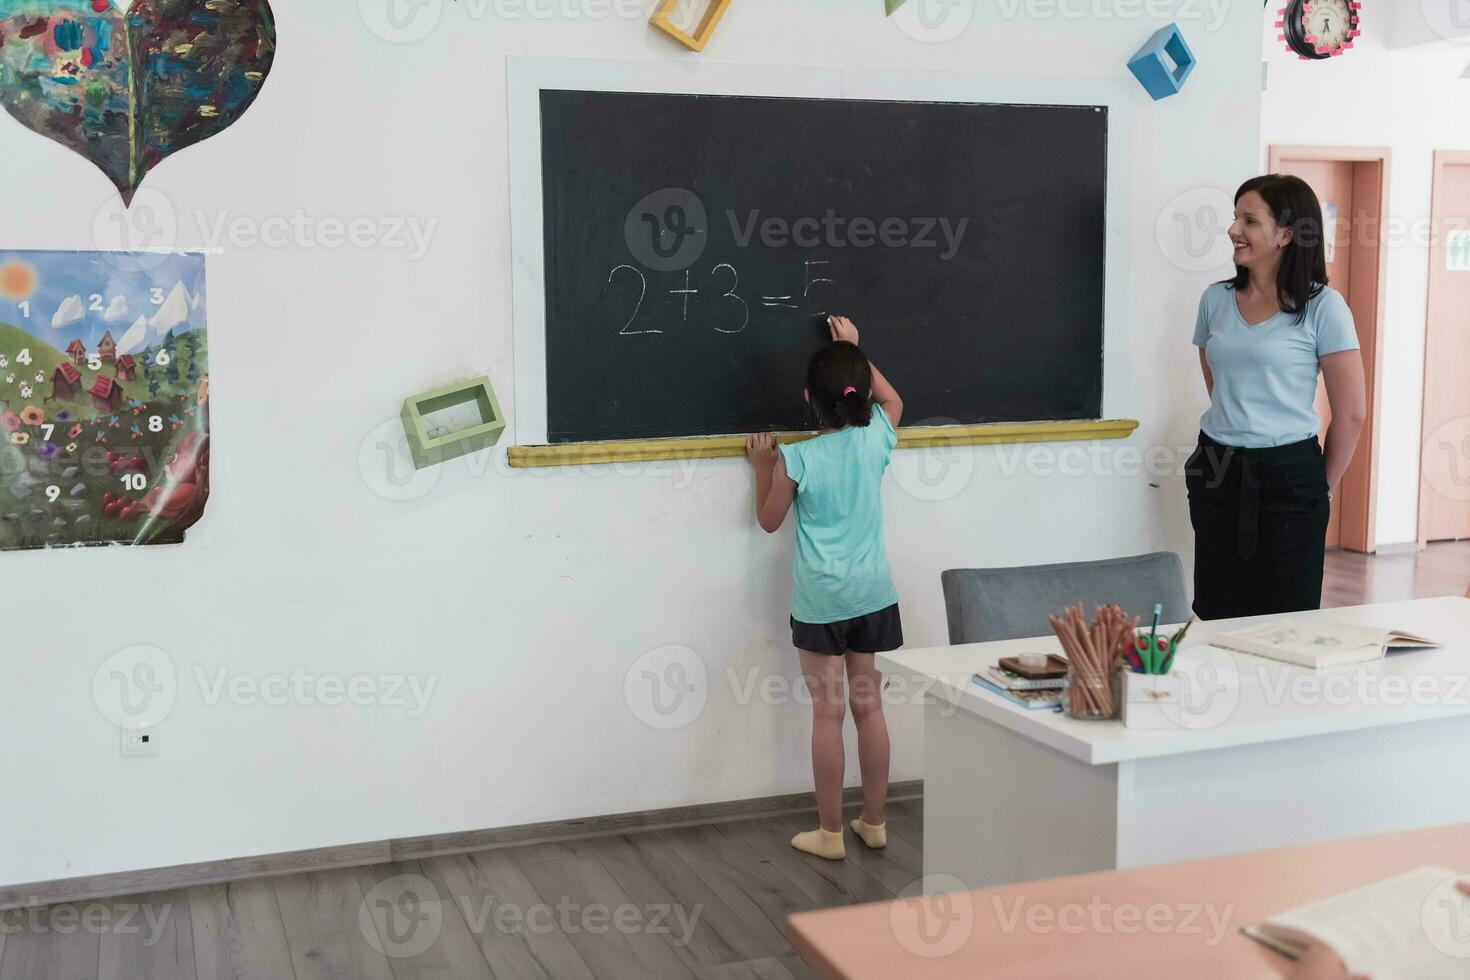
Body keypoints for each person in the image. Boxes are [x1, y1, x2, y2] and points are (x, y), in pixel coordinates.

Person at [745, 315, 903, 860]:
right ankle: (876, 823)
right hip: (873, 594)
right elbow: (892, 398)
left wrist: (762, 467)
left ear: (809, 397)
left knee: (828, 713)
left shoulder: (799, 457)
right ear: (859, 393)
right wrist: (852, 348)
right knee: (870, 708)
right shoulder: (878, 435)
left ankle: (831, 835)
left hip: (822, 601)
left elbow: (768, 521)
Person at [1187, 174, 1367, 620]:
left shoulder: (1324, 307)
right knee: (1215, 608)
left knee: (1288, 617)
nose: (1233, 230)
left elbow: (1352, 415)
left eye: (1249, 220)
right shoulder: (1214, 300)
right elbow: (1220, 386)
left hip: (1291, 473)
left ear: (1287, 234)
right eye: (1235, 217)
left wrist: (1316, 490)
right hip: (1217, 467)